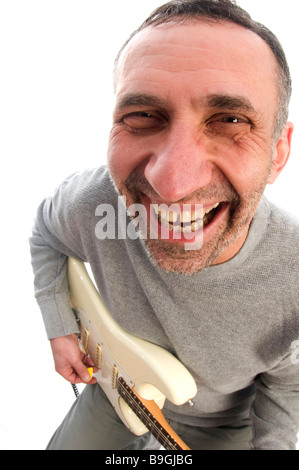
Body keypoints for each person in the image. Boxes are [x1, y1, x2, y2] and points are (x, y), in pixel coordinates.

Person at [30, 0, 299, 450]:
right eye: (143, 115)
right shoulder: (95, 203)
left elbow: (288, 389)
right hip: (115, 392)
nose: (171, 184)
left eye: (230, 120)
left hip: (221, 430)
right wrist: (59, 326)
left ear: (278, 152)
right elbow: (46, 231)